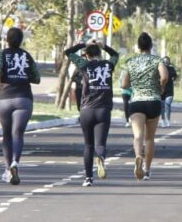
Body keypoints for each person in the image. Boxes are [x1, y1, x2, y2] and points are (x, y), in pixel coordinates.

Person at [0, 27, 41, 185]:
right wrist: (23, 76)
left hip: (4, 98)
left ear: (7, 40)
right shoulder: (27, 56)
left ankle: (7, 169)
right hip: (24, 99)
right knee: (17, 133)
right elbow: (36, 78)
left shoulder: (2, 54)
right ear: (21, 41)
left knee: (6, 134)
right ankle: (15, 163)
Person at [65, 39, 119, 186]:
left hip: (86, 110)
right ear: (99, 54)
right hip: (103, 110)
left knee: (88, 145)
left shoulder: (84, 65)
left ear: (86, 55)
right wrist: (105, 46)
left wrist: (83, 44)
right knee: (100, 144)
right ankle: (100, 156)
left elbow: (68, 53)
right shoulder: (108, 65)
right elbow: (115, 55)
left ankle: (88, 178)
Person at [120, 32, 168, 181]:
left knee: (138, 136)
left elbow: (123, 84)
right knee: (149, 138)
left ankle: (138, 156)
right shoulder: (157, 60)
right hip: (153, 100)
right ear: (150, 46)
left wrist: (132, 84)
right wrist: (161, 87)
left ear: (138, 46)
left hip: (136, 101)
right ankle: (147, 169)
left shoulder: (131, 62)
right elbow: (165, 76)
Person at [160, 55, 179, 127]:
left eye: (167, 61)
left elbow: (175, 76)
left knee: (167, 104)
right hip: (161, 90)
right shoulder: (159, 69)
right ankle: (163, 120)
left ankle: (167, 120)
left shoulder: (171, 69)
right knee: (162, 106)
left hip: (169, 90)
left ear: (169, 62)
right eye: (164, 61)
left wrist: (173, 78)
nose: (166, 62)